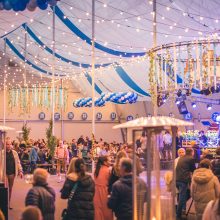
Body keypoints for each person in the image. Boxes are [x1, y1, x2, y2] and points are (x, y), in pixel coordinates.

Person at [176, 148, 196, 219]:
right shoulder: (191, 159)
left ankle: (182, 210)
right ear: (192, 152)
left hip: (177, 179)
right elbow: (193, 170)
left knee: (183, 195)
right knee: (182, 197)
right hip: (183, 180)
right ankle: (178, 214)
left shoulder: (181, 158)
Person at [5, 140, 23, 209]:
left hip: (12, 173)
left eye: (9, 144)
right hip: (4, 174)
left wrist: (20, 171)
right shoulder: (2, 153)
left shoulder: (15, 153)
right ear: (5, 145)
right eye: (7, 144)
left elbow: (18, 162)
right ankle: (4, 202)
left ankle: (8, 203)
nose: (8, 146)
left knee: (10, 189)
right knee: (5, 189)